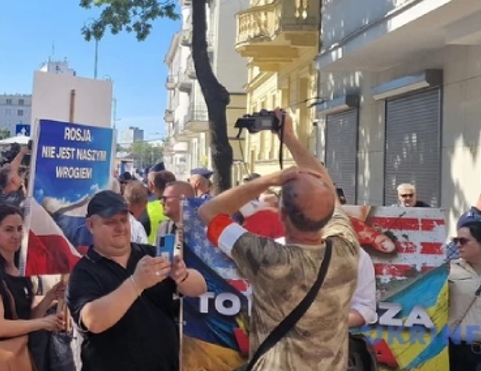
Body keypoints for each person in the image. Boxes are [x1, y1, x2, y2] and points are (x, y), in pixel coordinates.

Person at [197, 109, 359, 370]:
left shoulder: (268, 259)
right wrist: (290, 138)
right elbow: (326, 189)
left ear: (281, 215)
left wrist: (270, 179)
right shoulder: (347, 251)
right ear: (330, 212)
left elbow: (208, 212)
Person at [66, 190, 207, 371]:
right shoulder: (83, 272)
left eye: (124, 220)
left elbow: (200, 287)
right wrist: (136, 283)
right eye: (110, 222)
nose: (120, 227)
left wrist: (183, 275)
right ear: (91, 225)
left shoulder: (150, 254)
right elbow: (93, 321)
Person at [0, 206, 67, 362]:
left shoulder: (19, 267)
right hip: (1, 357)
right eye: (9, 230)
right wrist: (42, 323)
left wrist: (50, 297)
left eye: (20, 229)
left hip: (21, 353)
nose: (16, 235)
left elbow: (27, 319)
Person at [449, 221, 481, 368]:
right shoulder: (448, 271)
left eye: (463, 241)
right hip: (455, 350)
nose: (458, 245)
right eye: (456, 240)